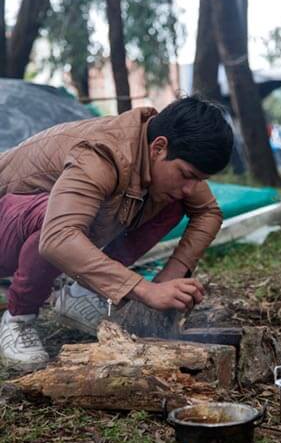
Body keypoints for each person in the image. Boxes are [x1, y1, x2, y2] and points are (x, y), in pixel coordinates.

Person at [0, 96, 233, 371]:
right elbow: (58, 237)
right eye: (187, 174)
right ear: (159, 148)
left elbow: (208, 213)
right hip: (9, 226)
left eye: (200, 180)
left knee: (174, 200)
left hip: (48, 229)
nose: (191, 187)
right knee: (53, 217)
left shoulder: (160, 147)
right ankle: (18, 318)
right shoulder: (101, 153)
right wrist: (144, 290)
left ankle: (80, 292)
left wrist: (171, 275)